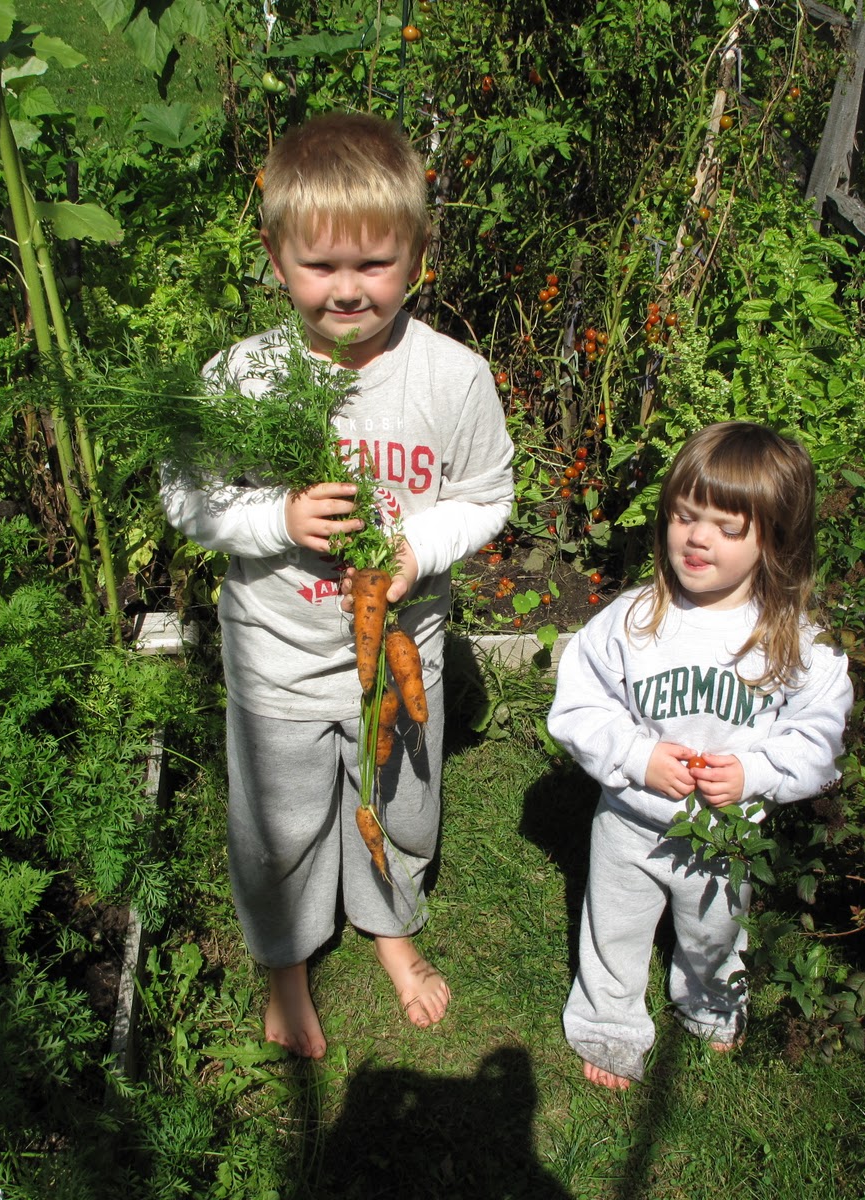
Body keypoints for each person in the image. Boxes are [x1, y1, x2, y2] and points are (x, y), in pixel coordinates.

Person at [161, 113, 514, 1058]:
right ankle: (286, 962)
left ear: (419, 256)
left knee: (399, 802)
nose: (349, 291)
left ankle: (391, 928)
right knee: (279, 826)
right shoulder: (243, 378)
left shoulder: (451, 378)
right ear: (277, 258)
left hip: (398, 663)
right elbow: (187, 499)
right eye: (322, 267)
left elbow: (488, 493)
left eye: (375, 264)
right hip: (276, 659)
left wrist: (417, 551)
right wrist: (276, 520)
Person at [546, 422, 852, 1089]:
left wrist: (757, 773)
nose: (697, 537)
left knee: (717, 930)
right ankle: (609, 1022)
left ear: (773, 537)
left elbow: (820, 740)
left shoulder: (795, 643)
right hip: (629, 825)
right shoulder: (633, 620)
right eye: (685, 516)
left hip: (726, 836)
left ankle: (711, 1006)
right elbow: (576, 708)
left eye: (726, 526)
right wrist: (634, 756)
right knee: (615, 932)